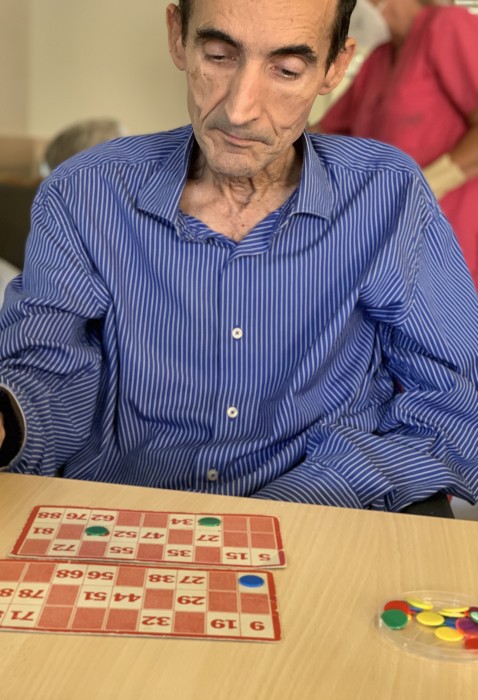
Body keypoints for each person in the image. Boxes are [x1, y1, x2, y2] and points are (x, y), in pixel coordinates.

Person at [0, 0, 477, 513]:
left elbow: (453, 408)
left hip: (324, 525)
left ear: (334, 67)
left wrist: (292, 505)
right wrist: (11, 418)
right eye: (219, 55)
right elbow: (47, 370)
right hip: (121, 523)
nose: (239, 110)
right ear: (177, 36)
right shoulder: (84, 192)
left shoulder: (388, 195)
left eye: (287, 70)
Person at [309, 0, 478, 286]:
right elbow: (324, 134)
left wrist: (426, 185)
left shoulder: (447, 26)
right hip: (390, 240)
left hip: (447, 238)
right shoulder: (379, 57)